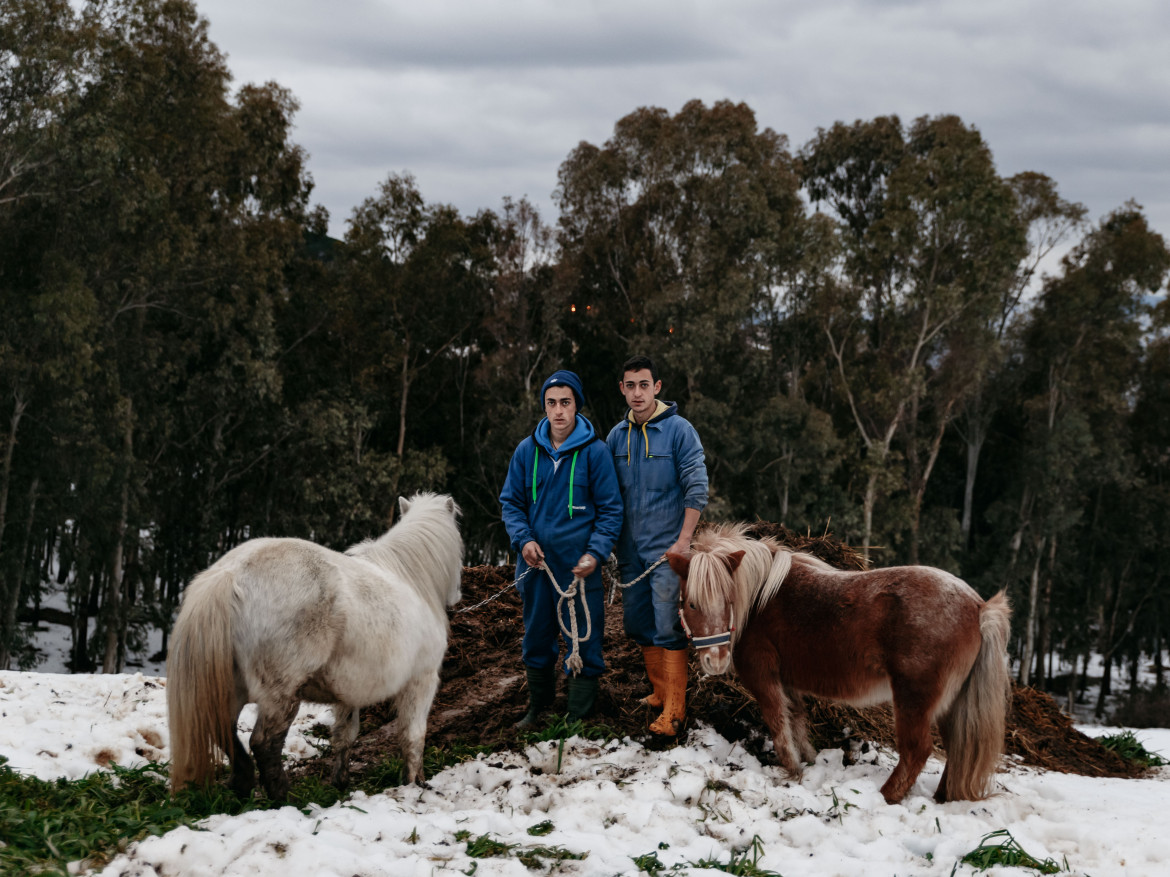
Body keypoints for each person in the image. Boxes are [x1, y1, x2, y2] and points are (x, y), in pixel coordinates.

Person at [499, 369, 624, 728]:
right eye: (551, 403)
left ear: (576, 406)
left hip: (579, 568)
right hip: (537, 567)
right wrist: (523, 540)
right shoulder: (527, 451)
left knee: (583, 639)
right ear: (544, 406)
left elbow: (611, 510)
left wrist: (596, 552)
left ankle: (577, 715)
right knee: (536, 637)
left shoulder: (595, 453)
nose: (558, 411)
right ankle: (538, 709)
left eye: (565, 403)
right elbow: (511, 503)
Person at [606, 355, 708, 736]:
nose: (637, 393)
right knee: (637, 623)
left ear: (657, 387)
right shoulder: (617, 436)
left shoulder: (680, 431)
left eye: (644, 385)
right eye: (630, 385)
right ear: (622, 389)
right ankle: (660, 692)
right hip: (630, 553)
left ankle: (676, 712)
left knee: (667, 626)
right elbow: (607, 493)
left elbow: (697, 487)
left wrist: (684, 542)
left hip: (667, 551)